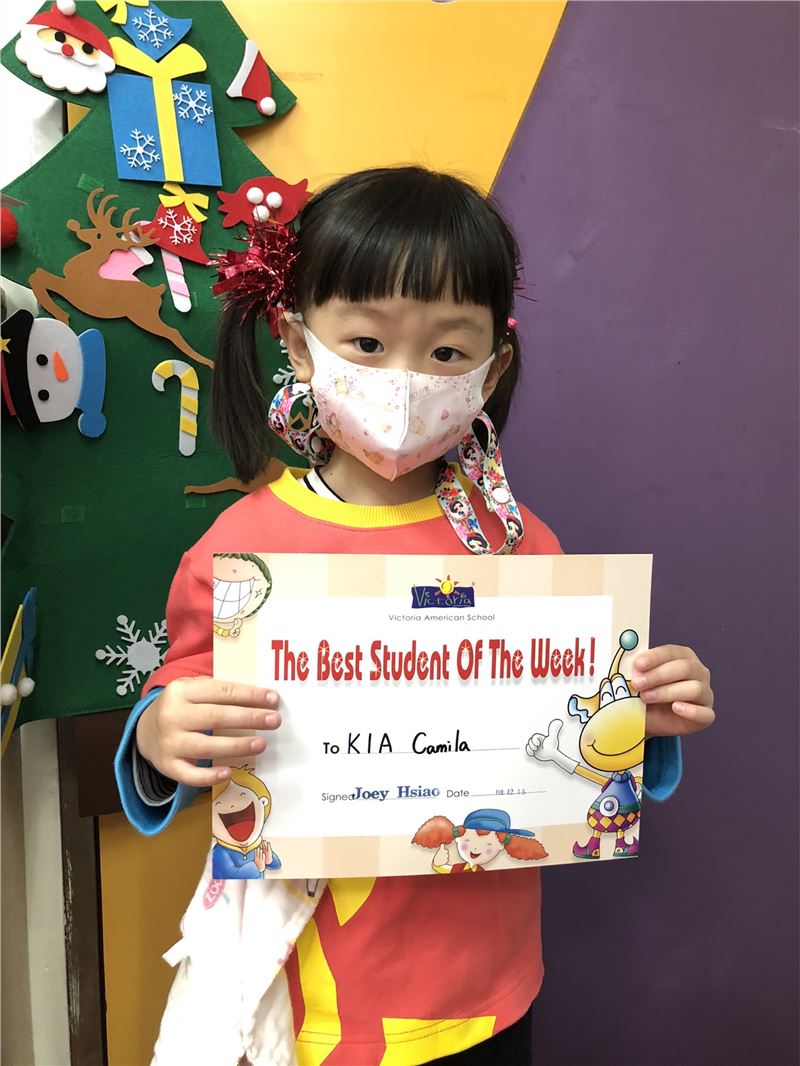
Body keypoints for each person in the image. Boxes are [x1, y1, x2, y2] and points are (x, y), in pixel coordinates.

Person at [114, 166, 716, 1066]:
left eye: (445, 354)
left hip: (488, 986)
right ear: (299, 343)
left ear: (491, 368)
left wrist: (645, 712)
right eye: (365, 341)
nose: (403, 381)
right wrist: (163, 730)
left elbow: (579, 726)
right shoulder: (242, 548)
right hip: (318, 998)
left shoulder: (519, 543)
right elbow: (184, 689)